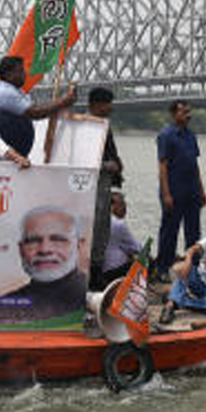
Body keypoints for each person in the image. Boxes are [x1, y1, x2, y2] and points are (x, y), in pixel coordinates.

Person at [2, 206, 89, 318]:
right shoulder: (6, 304)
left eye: (58, 239)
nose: (44, 250)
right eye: (33, 241)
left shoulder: (93, 298)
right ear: (21, 249)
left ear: (79, 245)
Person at [154, 100, 206, 279]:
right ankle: (163, 268)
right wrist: (166, 194)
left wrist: (201, 190)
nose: (188, 115)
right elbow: (162, 166)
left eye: (188, 111)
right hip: (174, 191)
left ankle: (193, 267)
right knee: (170, 231)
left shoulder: (191, 135)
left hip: (192, 190)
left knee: (194, 231)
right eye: (184, 112)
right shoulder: (166, 135)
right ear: (174, 114)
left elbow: (195, 164)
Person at [0, 55, 77, 158]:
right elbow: (35, 112)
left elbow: (38, 108)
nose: (24, 74)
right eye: (20, 71)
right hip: (7, 157)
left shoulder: (17, 91)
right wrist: (63, 102)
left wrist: (59, 105)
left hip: (15, 156)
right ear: (8, 74)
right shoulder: (6, 92)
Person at [86, 87, 123, 274]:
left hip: (105, 183)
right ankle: (90, 272)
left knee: (103, 227)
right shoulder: (86, 125)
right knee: (94, 226)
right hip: (93, 183)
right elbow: (83, 158)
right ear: (97, 104)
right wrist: (107, 166)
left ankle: (97, 269)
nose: (111, 107)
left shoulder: (103, 124)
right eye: (108, 103)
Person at [91, 190, 141, 290]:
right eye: (122, 204)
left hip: (97, 269)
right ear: (112, 206)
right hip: (113, 270)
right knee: (142, 260)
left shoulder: (96, 219)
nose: (125, 208)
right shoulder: (119, 224)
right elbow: (137, 248)